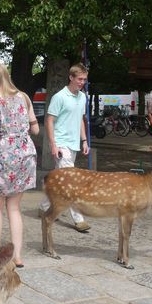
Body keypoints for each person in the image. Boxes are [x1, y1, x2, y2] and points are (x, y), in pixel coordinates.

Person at [0, 63, 39, 268]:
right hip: (26, 153)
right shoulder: (24, 96)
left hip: (5, 154)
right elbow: (36, 130)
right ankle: (17, 256)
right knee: (14, 208)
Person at [39, 63, 90, 233]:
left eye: (84, 79)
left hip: (74, 143)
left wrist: (84, 140)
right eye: (80, 79)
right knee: (70, 182)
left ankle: (44, 206)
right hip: (61, 144)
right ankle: (79, 219)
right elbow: (49, 120)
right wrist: (53, 144)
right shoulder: (59, 97)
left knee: (60, 178)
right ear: (71, 77)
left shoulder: (82, 97)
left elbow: (81, 119)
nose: (82, 82)